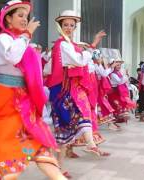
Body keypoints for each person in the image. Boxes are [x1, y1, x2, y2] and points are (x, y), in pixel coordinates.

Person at [0, 0, 66, 179]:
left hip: (23, 99)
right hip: (6, 98)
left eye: (26, 16)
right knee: (8, 139)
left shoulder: (20, 40)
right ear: (8, 19)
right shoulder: (3, 39)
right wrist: (27, 33)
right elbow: (13, 56)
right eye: (20, 16)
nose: (24, 20)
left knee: (38, 141)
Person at [47, 9, 110, 175]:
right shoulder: (63, 44)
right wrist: (89, 51)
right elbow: (78, 61)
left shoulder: (65, 45)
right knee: (78, 116)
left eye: (72, 25)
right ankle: (90, 144)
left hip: (65, 90)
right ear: (60, 26)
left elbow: (50, 68)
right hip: (62, 91)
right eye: (66, 25)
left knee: (63, 133)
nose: (69, 27)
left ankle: (60, 169)